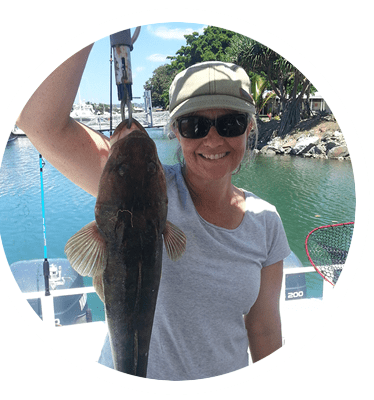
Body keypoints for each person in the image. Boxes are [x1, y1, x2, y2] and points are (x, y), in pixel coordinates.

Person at [17, 44, 290, 380]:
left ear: (250, 127)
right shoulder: (142, 184)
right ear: (175, 130)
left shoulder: (267, 222)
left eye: (231, 123)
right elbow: (37, 122)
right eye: (194, 125)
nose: (214, 139)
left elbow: (263, 329)